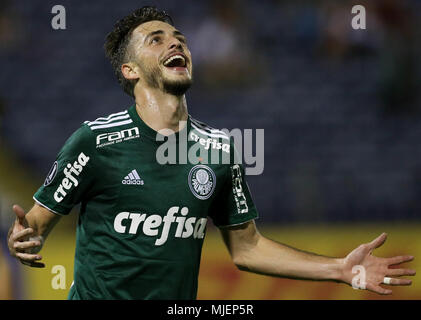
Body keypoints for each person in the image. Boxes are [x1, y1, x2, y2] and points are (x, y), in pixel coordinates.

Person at [7, 6, 415, 300]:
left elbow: (247, 247)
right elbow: (37, 223)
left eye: (179, 38)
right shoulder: (95, 141)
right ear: (130, 70)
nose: (176, 42)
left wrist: (339, 268)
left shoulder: (219, 149)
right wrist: (25, 239)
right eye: (157, 39)